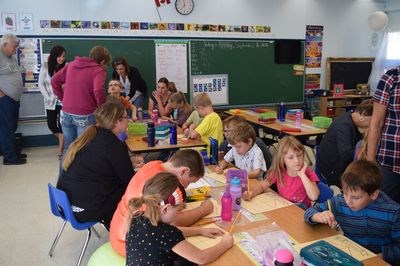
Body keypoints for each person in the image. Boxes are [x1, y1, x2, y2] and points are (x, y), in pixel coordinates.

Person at [110, 149, 213, 256]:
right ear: (183, 171)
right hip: (127, 244)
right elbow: (174, 222)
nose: (186, 187)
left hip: (120, 231)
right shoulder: (154, 181)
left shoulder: (155, 164)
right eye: (189, 182)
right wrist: (203, 210)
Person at [304, 160, 400, 265]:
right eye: (344, 193)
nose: (348, 201)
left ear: (374, 194)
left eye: (355, 197)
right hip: (350, 256)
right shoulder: (339, 202)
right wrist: (317, 216)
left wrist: (378, 257)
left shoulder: (393, 212)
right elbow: (310, 211)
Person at [126, 172, 233, 265]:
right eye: (179, 210)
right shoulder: (167, 233)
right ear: (165, 209)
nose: (180, 213)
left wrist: (200, 230)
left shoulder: (136, 217)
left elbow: (164, 235)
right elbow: (202, 258)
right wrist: (225, 244)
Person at [57, 100, 134, 228]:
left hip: (66, 204)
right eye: (126, 117)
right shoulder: (113, 144)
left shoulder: (90, 135)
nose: (129, 120)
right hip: (86, 211)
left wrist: (128, 162)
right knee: (132, 189)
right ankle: (122, 229)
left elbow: (98, 163)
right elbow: (129, 180)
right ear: (116, 121)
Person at [51, 45, 111, 154]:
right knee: (84, 150)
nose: (105, 66)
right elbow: (98, 90)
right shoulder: (99, 70)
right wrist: (102, 107)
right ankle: (83, 171)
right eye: (105, 63)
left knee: (68, 149)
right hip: (85, 114)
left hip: (66, 112)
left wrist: (62, 98)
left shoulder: (72, 64)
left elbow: (54, 80)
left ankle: (64, 172)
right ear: (102, 61)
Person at [243, 136, 320, 209]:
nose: (296, 160)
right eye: (291, 157)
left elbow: (314, 196)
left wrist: (302, 175)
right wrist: (251, 194)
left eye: (299, 155)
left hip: (301, 210)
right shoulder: (279, 171)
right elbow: (262, 186)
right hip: (285, 206)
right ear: (282, 159)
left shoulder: (307, 172)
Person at [316, 99, 373, 188]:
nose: (372, 125)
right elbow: (346, 154)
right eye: (372, 120)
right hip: (330, 171)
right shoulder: (344, 126)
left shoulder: (349, 118)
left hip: (332, 165)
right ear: (364, 114)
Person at [367, 66, 400, 203]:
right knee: (384, 207)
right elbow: (376, 123)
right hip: (391, 160)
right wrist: (370, 160)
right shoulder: (391, 78)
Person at [0, 33, 26, 165]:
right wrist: (1, 94)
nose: (15, 50)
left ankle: (13, 152)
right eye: (14, 47)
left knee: (13, 126)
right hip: (5, 99)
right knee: (7, 128)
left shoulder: (11, 57)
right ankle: (9, 157)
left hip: (14, 99)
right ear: (5, 44)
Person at [38, 45, 66, 159]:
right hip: (50, 101)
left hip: (63, 101)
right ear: (54, 56)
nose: (61, 59)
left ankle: (60, 150)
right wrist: (48, 96)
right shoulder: (45, 66)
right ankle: (64, 141)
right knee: (51, 125)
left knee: (62, 126)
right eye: (59, 56)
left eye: (63, 56)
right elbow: (41, 84)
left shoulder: (66, 68)